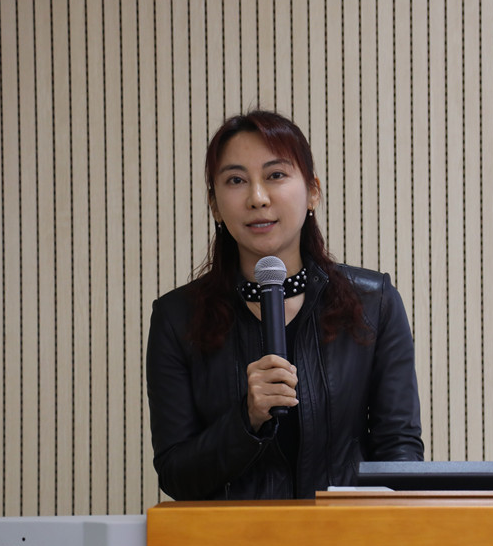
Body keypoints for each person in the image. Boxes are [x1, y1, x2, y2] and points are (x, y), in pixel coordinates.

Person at [146, 110, 424, 500]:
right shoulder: (177, 319)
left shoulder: (373, 302)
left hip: (347, 534)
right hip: (234, 537)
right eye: (236, 180)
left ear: (312, 192)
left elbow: (400, 452)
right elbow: (176, 475)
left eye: (275, 175)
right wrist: (246, 419)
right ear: (215, 205)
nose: (257, 198)